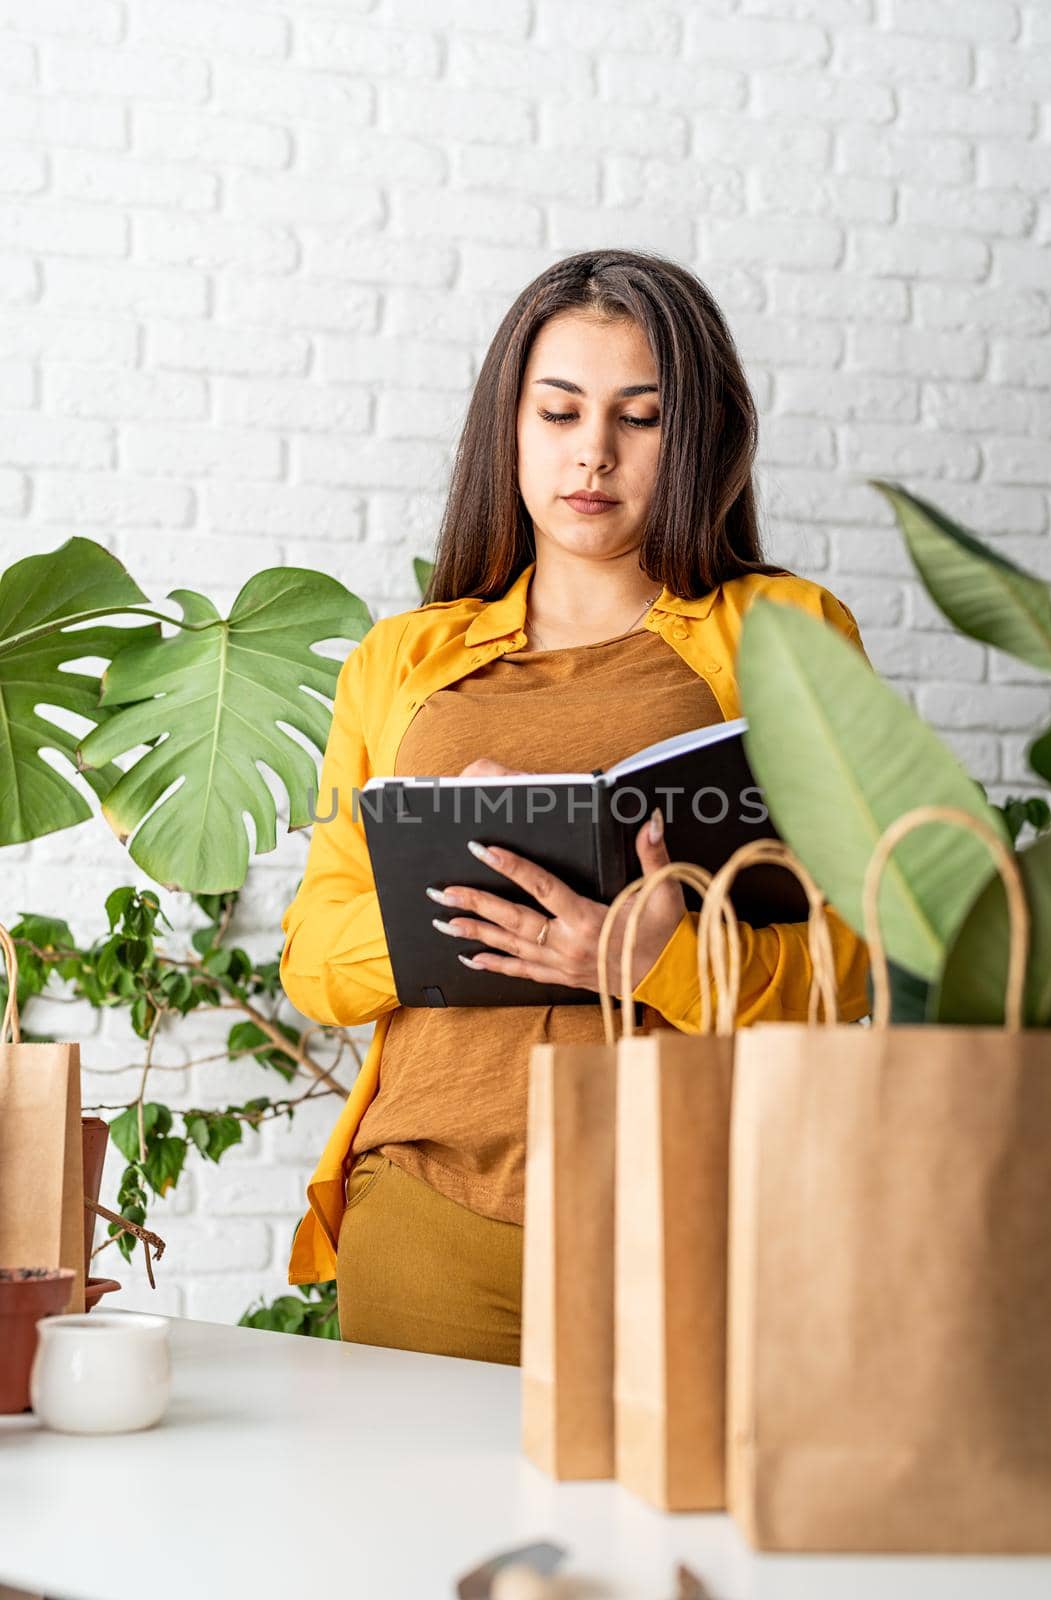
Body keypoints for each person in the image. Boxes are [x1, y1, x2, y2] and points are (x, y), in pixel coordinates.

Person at [278, 248, 872, 1364]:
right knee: (412, 1542)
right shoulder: (401, 660)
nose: (591, 452)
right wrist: (447, 867)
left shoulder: (787, 636)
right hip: (425, 1201)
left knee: (673, 1537)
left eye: (637, 418)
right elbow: (313, 957)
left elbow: (854, 956)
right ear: (510, 428)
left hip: (690, 1207)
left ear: (694, 435)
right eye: (558, 411)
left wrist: (653, 952)